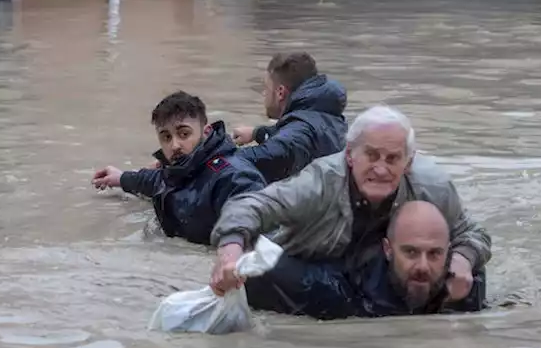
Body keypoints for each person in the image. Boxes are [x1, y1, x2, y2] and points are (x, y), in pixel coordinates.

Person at [208, 105, 491, 306]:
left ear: (409, 162)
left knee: (472, 280)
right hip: (320, 269)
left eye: (392, 159)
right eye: (372, 156)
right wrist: (229, 255)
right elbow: (248, 206)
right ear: (350, 155)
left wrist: (462, 261)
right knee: (259, 276)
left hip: (383, 271)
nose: (381, 169)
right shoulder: (319, 183)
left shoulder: (433, 187)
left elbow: (473, 234)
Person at [241, 200, 487, 320]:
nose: (423, 266)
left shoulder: (464, 285)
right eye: (410, 253)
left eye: (434, 254)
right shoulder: (339, 290)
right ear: (388, 250)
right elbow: (259, 268)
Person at [92, 91, 266, 245]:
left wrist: (231, 250)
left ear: (205, 133)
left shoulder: (232, 176)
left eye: (184, 134)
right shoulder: (180, 170)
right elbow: (156, 180)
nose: (174, 145)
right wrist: (121, 178)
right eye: (166, 137)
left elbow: (257, 220)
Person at [231, 52, 348, 183]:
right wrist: (256, 133)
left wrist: (215, 156)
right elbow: (291, 136)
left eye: (267, 88)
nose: (264, 93)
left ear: (280, 92)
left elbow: (272, 153)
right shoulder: (323, 115)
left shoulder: (300, 132)